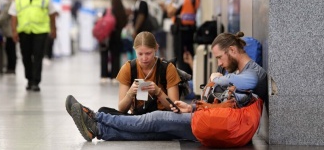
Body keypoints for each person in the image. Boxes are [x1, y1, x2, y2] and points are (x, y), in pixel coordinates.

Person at [65, 32, 267, 141]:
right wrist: (192, 107)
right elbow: (222, 104)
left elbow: (249, 83)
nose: (220, 64)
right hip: (217, 120)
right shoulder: (129, 68)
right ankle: (98, 130)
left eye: (220, 58)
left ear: (232, 50)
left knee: (155, 119)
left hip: (226, 126)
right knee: (155, 132)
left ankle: (93, 116)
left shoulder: (253, 72)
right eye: (140, 54)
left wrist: (219, 79)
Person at [96, 31, 180, 115]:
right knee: (104, 111)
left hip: (162, 117)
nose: (144, 58)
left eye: (148, 53)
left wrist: (158, 92)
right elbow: (121, 109)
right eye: (140, 54)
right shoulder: (128, 68)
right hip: (138, 118)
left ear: (156, 48)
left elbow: (175, 107)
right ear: (134, 50)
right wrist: (130, 93)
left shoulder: (167, 68)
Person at [9, 0, 57, 92]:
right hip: (24, 31)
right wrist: (14, 31)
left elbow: (52, 13)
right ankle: (29, 79)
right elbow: (13, 15)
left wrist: (54, 29)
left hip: (40, 31)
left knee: (38, 56)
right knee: (26, 56)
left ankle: (36, 81)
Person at [161, 0, 200, 75]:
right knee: (190, 55)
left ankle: (184, 79)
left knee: (180, 57)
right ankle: (192, 77)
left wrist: (171, 2)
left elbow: (170, 12)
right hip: (191, 30)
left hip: (180, 32)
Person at [99, 0, 128, 83]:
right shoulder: (122, 12)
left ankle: (104, 76)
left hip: (106, 37)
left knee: (104, 55)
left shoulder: (108, 11)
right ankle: (114, 76)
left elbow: (102, 22)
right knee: (116, 56)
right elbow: (124, 23)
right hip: (117, 37)